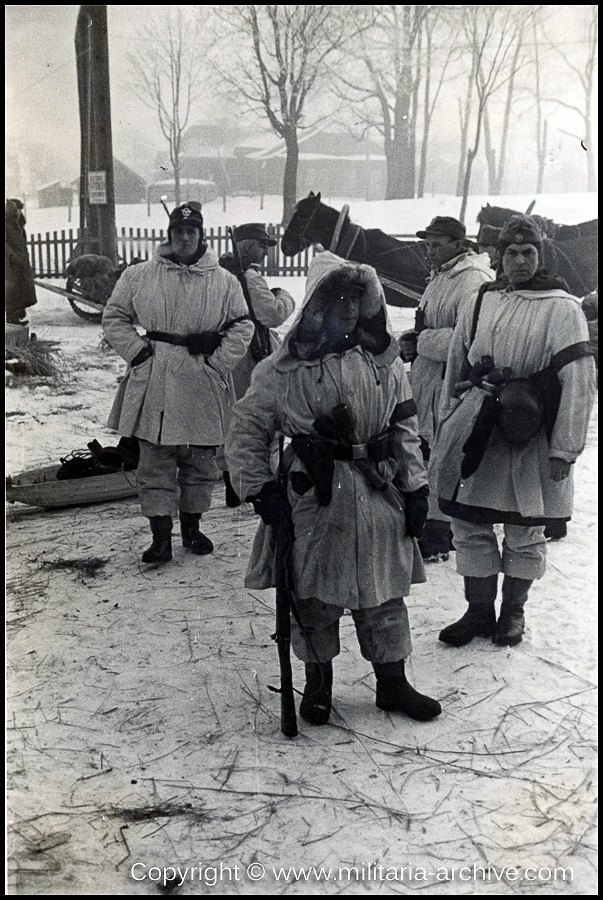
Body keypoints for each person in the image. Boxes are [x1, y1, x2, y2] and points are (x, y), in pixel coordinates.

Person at [225, 251, 442, 726]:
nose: (348, 308)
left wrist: (416, 486)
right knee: (314, 596)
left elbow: (403, 428)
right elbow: (246, 430)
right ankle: (318, 682)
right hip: (314, 498)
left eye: (357, 298)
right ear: (318, 304)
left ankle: (393, 683)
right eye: (338, 297)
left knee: (383, 594)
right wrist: (262, 491)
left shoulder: (383, 362)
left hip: (377, 490)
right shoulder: (285, 369)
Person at [433, 215, 596, 648]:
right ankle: (478, 611)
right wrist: (451, 418)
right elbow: (457, 364)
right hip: (479, 429)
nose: (519, 261)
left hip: (530, 431)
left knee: (525, 528)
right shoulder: (482, 299)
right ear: (499, 257)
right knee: (469, 523)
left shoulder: (562, 307)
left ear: (540, 255)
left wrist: (564, 449)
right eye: (511, 253)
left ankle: (513, 612)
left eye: (528, 253)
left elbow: (579, 379)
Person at [102, 202, 254, 564]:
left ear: (201, 236)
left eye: (192, 232)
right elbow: (114, 316)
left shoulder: (223, 281)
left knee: (200, 462)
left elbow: (242, 325)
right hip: (156, 375)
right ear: (169, 236)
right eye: (178, 232)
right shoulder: (141, 275)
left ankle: (192, 528)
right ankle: (160, 538)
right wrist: (138, 353)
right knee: (155, 460)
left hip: (201, 377)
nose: (185, 238)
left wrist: (217, 363)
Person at [399, 216, 494, 563]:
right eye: (426, 244)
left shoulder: (473, 280)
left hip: (454, 379)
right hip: (428, 375)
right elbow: (428, 322)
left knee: (446, 450)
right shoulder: (441, 277)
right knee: (426, 446)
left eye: (436, 244)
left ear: (458, 243)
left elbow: (470, 339)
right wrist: (411, 341)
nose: (429, 251)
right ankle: (427, 521)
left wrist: (422, 341)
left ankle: (442, 532)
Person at [218, 223, 295, 507]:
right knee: (257, 419)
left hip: (224, 355)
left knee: (228, 420)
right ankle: (255, 484)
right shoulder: (249, 276)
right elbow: (272, 314)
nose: (265, 252)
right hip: (250, 356)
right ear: (247, 244)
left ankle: (231, 484)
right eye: (262, 245)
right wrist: (284, 296)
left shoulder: (219, 272)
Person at [5, 198, 37, 325]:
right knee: (13, 287)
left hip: (19, 261)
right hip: (10, 262)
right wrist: (13, 256)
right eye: (18, 210)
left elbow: (21, 243)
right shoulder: (7, 224)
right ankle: (12, 318)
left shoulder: (17, 224)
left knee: (22, 287)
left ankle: (18, 315)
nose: (20, 212)